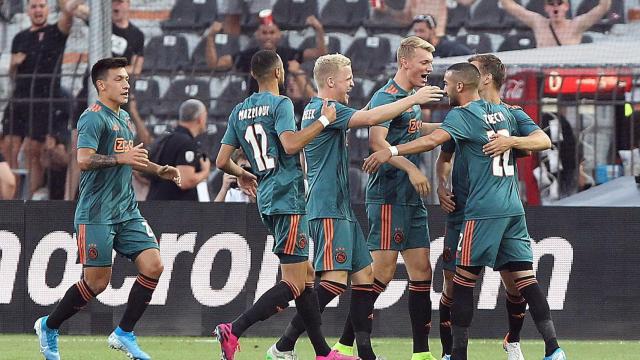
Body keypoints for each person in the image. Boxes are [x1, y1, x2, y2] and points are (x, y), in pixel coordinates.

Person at [363, 63, 566, 360]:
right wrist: (441, 180)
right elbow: (442, 144)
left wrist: (392, 150)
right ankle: (553, 349)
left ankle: (457, 354)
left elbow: (434, 140)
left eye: (446, 83)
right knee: (525, 278)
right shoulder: (506, 114)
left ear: (468, 83)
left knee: (462, 282)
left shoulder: (464, 115)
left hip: (480, 210)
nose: (443, 87)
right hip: (511, 207)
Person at [267, 53, 444, 360]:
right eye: (348, 78)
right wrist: (412, 98)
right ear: (331, 81)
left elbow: (365, 113)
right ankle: (283, 345)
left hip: (341, 207)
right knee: (333, 283)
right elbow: (373, 118)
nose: (352, 83)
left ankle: (363, 353)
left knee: (364, 279)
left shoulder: (329, 109)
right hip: (326, 207)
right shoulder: (325, 110)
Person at [213, 49, 357, 360]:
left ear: (253, 75)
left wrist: (242, 174)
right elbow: (290, 144)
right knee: (293, 283)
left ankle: (322, 352)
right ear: (280, 73)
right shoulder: (280, 104)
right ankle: (234, 328)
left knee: (305, 278)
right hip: (288, 196)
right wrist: (323, 120)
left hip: (266, 198)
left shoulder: (239, 110)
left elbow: (222, 160)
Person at [34, 57, 181, 360]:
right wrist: (120, 160)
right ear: (102, 85)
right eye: (119, 79)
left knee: (154, 265)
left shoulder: (124, 118)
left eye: (127, 78)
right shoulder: (92, 118)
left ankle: (124, 333)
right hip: (96, 213)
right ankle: (48, 326)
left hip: (127, 211)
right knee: (97, 283)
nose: (126, 84)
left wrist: (158, 170)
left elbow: (131, 158)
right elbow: (84, 160)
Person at [435, 54, 552, 360]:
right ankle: (450, 351)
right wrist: (441, 184)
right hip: (460, 210)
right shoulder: (462, 114)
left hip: (488, 209)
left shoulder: (510, 114)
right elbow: (444, 156)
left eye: (474, 69)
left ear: (484, 77)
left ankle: (513, 341)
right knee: (451, 282)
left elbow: (543, 141)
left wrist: (512, 141)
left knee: (514, 284)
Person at [332, 36, 441, 360]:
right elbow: (377, 142)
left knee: (422, 272)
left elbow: (415, 128)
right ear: (405, 62)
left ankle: (420, 353)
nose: (429, 68)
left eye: (430, 63)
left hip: (411, 198)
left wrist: (458, 125)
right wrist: (411, 168)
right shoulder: (386, 95)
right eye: (424, 62)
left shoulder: (411, 97)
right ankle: (343, 345)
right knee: (380, 275)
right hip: (388, 195)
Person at [2, 0, 82, 198]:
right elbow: (13, 75)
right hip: (20, 98)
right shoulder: (20, 38)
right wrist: (13, 64)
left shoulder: (56, 32)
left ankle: (27, 202)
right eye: (34, 6)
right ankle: (9, 196)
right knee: (9, 146)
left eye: (41, 6)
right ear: (28, 10)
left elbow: (68, 15)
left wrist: (71, 5)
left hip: (44, 100)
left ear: (48, 9)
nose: (38, 10)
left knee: (33, 151)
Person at [206, 16, 326, 94]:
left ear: (279, 34)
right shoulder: (247, 56)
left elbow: (320, 53)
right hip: (254, 108)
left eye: (272, 32)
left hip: (279, 108)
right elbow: (215, 64)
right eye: (264, 32)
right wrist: (211, 36)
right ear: (257, 34)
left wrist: (319, 30)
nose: (268, 36)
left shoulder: (287, 54)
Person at [146, 99, 211, 201]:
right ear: (200, 118)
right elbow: (185, 181)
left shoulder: (166, 137)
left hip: (156, 203)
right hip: (174, 209)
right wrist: (205, 172)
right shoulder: (186, 143)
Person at [499, 0, 612, 47]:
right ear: (546, 8)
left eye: (559, 3)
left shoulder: (576, 25)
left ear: (566, 6)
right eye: (551, 3)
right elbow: (508, 5)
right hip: (543, 74)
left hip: (567, 75)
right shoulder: (538, 23)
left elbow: (603, 7)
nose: (555, 7)